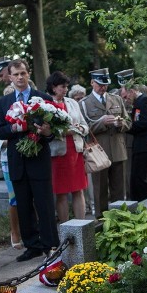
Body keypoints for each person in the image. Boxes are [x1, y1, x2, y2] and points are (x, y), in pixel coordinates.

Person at [0, 60, 60, 262]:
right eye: (16, 74)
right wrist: (16, 128)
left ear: (28, 74)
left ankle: (49, 244)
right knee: (23, 205)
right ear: (10, 77)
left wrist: (47, 132)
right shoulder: (4, 103)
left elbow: (55, 130)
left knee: (44, 204)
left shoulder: (42, 98)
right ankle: (32, 245)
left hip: (38, 159)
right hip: (17, 161)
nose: (20, 78)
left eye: (23, 73)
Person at [79, 68, 130, 218]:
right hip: (98, 153)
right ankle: (101, 220)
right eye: (100, 84)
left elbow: (128, 122)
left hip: (117, 149)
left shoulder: (117, 99)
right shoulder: (84, 103)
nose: (103, 87)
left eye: (105, 84)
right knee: (99, 190)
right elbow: (84, 128)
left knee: (119, 190)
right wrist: (102, 123)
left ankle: (120, 220)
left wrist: (119, 123)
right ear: (92, 82)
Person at [46, 71, 89, 223]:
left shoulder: (72, 103)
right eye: (62, 86)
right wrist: (67, 131)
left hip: (75, 151)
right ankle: (66, 229)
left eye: (66, 86)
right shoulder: (46, 105)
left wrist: (81, 129)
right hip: (58, 155)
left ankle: (82, 227)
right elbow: (47, 130)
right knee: (61, 193)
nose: (65, 89)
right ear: (53, 87)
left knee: (79, 190)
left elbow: (85, 125)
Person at [0, 59, 22, 249]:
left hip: (26, 157)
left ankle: (29, 229)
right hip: (8, 160)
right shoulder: (3, 108)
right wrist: (9, 140)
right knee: (15, 198)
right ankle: (15, 232)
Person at [121, 80, 147, 202]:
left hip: (144, 146)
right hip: (139, 145)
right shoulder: (139, 102)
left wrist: (125, 125)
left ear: (132, 92)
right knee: (135, 179)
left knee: (140, 178)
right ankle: (139, 203)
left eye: (126, 97)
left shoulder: (144, 101)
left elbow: (143, 123)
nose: (126, 100)